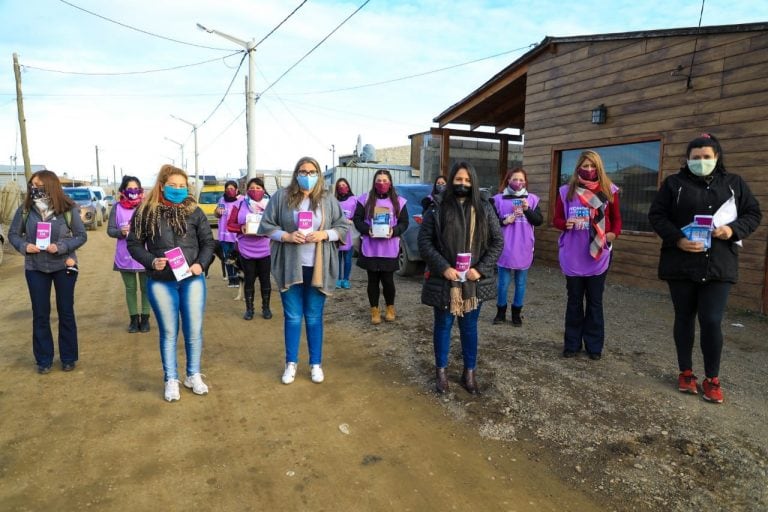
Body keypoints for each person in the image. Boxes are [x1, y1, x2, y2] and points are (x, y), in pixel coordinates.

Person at [648, 133, 761, 404]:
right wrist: (678, 240)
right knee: (684, 318)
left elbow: (753, 213)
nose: (701, 162)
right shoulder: (674, 184)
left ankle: (713, 379)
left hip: (719, 265)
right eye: (695, 158)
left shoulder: (734, 184)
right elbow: (657, 215)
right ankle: (686, 372)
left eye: (706, 157)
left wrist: (732, 230)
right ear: (687, 159)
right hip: (681, 263)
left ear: (716, 157)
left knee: (711, 320)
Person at [127, 164, 216, 402]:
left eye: (182, 186)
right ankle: (171, 379)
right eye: (173, 186)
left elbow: (208, 242)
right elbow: (134, 244)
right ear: (162, 186)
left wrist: (201, 265)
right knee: (168, 332)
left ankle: (193, 375)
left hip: (192, 279)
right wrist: (151, 261)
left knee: (194, 331)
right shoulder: (146, 211)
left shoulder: (195, 211)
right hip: (161, 282)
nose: (178, 190)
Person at [258, 156, 348, 385]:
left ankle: (315, 364)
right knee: (293, 316)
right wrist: (286, 236)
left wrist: (324, 234)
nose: (307, 176)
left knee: (314, 316)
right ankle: (291, 363)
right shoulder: (281, 197)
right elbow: (267, 226)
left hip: (318, 266)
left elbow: (343, 227)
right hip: (291, 265)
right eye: (303, 171)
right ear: (296, 173)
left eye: (311, 172)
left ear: (318, 174)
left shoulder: (327, 198)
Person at [418, 161, 503, 394]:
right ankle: (441, 373)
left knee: (469, 327)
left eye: (467, 180)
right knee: (443, 325)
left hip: (473, 281)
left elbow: (498, 242)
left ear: (473, 182)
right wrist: (443, 267)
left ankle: (469, 373)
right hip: (445, 279)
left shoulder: (485, 207)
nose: (462, 184)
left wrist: (481, 269)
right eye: (458, 179)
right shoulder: (437, 207)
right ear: (451, 180)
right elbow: (424, 242)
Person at [8, 170, 87, 374]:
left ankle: (68, 357)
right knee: (40, 314)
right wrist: (25, 246)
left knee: (66, 312)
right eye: (32, 185)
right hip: (35, 268)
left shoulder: (67, 209)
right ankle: (44, 359)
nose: (35, 189)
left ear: (51, 186)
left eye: (40, 185)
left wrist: (60, 247)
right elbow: (13, 235)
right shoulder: (25, 210)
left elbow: (80, 236)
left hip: (64, 266)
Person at [553, 150, 622, 360]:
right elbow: (556, 219)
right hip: (573, 253)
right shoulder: (567, 191)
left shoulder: (609, 190)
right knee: (574, 300)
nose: (589, 170)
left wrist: (612, 234)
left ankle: (594, 346)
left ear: (599, 167)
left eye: (593, 166)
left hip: (599, 254)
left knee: (595, 301)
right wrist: (566, 224)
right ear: (578, 168)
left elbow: (617, 219)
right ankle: (571, 344)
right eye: (585, 165)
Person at [353, 170, 409, 324]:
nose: (382, 183)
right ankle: (374, 310)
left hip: (389, 248)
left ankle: (390, 307)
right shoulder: (364, 200)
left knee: (388, 280)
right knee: (372, 280)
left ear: (390, 182)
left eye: (385, 180)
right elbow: (357, 219)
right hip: (371, 247)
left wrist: (394, 231)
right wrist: (367, 229)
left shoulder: (399, 201)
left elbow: (405, 223)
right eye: (379, 180)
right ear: (374, 182)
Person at [492, 168, 543, 326]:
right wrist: (504, 221)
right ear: (508, 180)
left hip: (524, 246)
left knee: (521, 283)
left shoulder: (532, 199)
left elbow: (538, 221)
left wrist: (527, 210)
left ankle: (516, 314)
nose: (518, 183)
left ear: (525, 182)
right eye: (515, 179)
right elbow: (490, 222)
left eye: (522, 180)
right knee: (503, 283)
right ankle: (500, 313)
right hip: (505, 247)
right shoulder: (498, 199)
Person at [107, 176, 151, 333]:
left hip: (145, 254)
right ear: (123, 191)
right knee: (130, 288)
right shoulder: (116, 208)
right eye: (130, 189)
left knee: (146, 288)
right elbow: (110, 230)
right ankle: (133, 319)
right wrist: (121, 232)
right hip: (125, 255)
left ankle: (145, 318)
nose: (133, 192)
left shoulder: (147, 207)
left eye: (136, 189)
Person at [227, 177, 272, 320]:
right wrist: (240, 227)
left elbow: (278, 225)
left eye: (258, 188)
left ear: (263, 190)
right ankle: (249, 310)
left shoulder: (270, 205)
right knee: (249, 279)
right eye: (252, 188)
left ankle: (266, 308)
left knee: (265, 280)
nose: (255, 191)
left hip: (265, 248)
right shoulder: (239, 204)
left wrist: (269, 229)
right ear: (247, 190)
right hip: (246, 250)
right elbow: (229, 224)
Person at [216, 180, 242, 288]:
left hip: (237, 235)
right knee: (227, 257)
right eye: (227, 189)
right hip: (224, 234)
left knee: (238, 257)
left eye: (232, 188)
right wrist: (216, 211)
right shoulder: (222, 199)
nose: (229, 191)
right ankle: (232, 280)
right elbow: (217, 215)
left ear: (236, 189)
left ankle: (238, 278)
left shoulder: (242, 199)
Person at [334, 178, 356, 289]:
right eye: (340, 185)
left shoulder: (354, 199)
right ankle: (338, 279)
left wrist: (352, 221)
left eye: (344, 184)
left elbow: (358, 215)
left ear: (348, 186)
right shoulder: (334, 200)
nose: (342, 187)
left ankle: (346, 280)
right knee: (337, 259)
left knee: (347, 259)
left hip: (348, 233)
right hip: (337, 233)